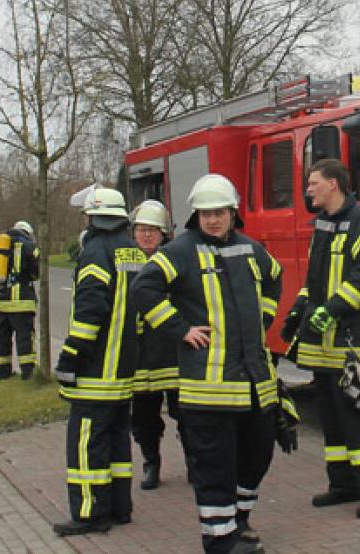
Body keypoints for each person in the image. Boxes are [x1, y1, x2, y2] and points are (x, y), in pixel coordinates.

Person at [132, 174, 282, 554]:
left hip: (254, 383)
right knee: (214, 464)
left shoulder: (250, 249)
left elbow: (275, 279)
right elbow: (144, 288)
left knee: (258, 454)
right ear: (195, 216)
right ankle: (219, 539)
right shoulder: (181, 251)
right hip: (208, 388)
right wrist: (179, 328)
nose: (213, 220)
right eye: (205, 213)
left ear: (233, 212)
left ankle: (239, 519)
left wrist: (261, 319)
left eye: (219, 212)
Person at [284, 158, 360, 520]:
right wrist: (298, 310)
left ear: (333, 184)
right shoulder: (323, 224)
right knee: (332, 419)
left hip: (350, 344)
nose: (308, 189)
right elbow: (313, 279)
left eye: (313, 182)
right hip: (321, 346)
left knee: (358, 414)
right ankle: (343, 486)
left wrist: (330, 309)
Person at [52, 187, 143, 537]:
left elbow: (90, 313)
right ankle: (121, 507)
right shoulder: (132, 251)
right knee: (118, 442)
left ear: (92, 217)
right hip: (123, 370)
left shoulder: (95, 253)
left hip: (96, 371)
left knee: (87, 442)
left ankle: (90, 512)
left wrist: (70, 357)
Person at [128, 200, 183, 490]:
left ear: (164, 235)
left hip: (172, 352)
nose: (147, 235)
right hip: (138, 356)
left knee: (186, 412)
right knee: (144, 419)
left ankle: (194, 461)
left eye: (153, 230)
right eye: (142, 230)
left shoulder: (176, 260)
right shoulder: (123, 262)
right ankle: (152, 462)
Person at [0, 220, 40, 380]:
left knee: (1, 339)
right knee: (24, 338)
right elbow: (36, 273)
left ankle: (1, 373)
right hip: (22, 303)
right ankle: (28, 373)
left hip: (0, 302)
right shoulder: (30, 247)